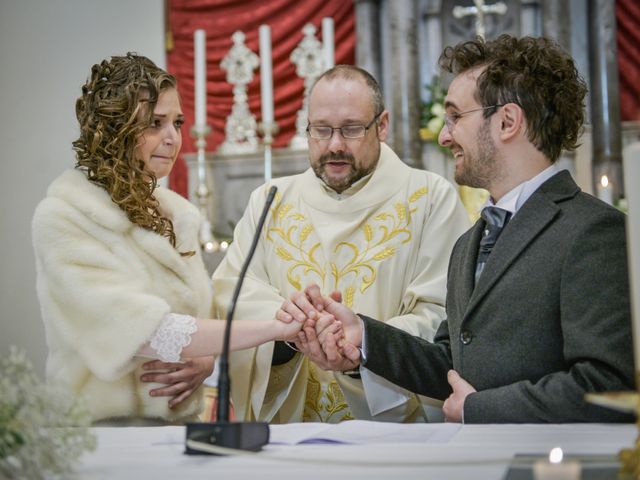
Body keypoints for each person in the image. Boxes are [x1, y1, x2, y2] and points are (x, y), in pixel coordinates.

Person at [280, 35, 635, 423]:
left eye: (455, 117)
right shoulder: (470, 241)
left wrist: (479, 409)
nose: (445, 135)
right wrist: (364, 335)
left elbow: (607, 386)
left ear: (507, 121)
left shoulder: (593, 231)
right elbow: (449, 362)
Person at [32, 53, 303, 425]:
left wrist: (206, 361)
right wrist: (276, 329)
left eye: (177, 122)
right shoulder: (64, 217)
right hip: (99, 431)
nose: (173, 138)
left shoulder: (177, 216)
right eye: (154, 123)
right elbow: (142, 330)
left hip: (177, 428)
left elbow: (196, 320)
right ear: (114, 128)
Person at [212, 64, 469, 423]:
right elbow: (233, 299)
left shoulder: (429, 199)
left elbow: (446, 319)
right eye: (321, 130)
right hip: (290, 436)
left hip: (395, 439)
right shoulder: (270, 199)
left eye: (350, 129)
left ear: (382, 126)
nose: (334, 145)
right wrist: (289, 332)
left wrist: (362, 344)